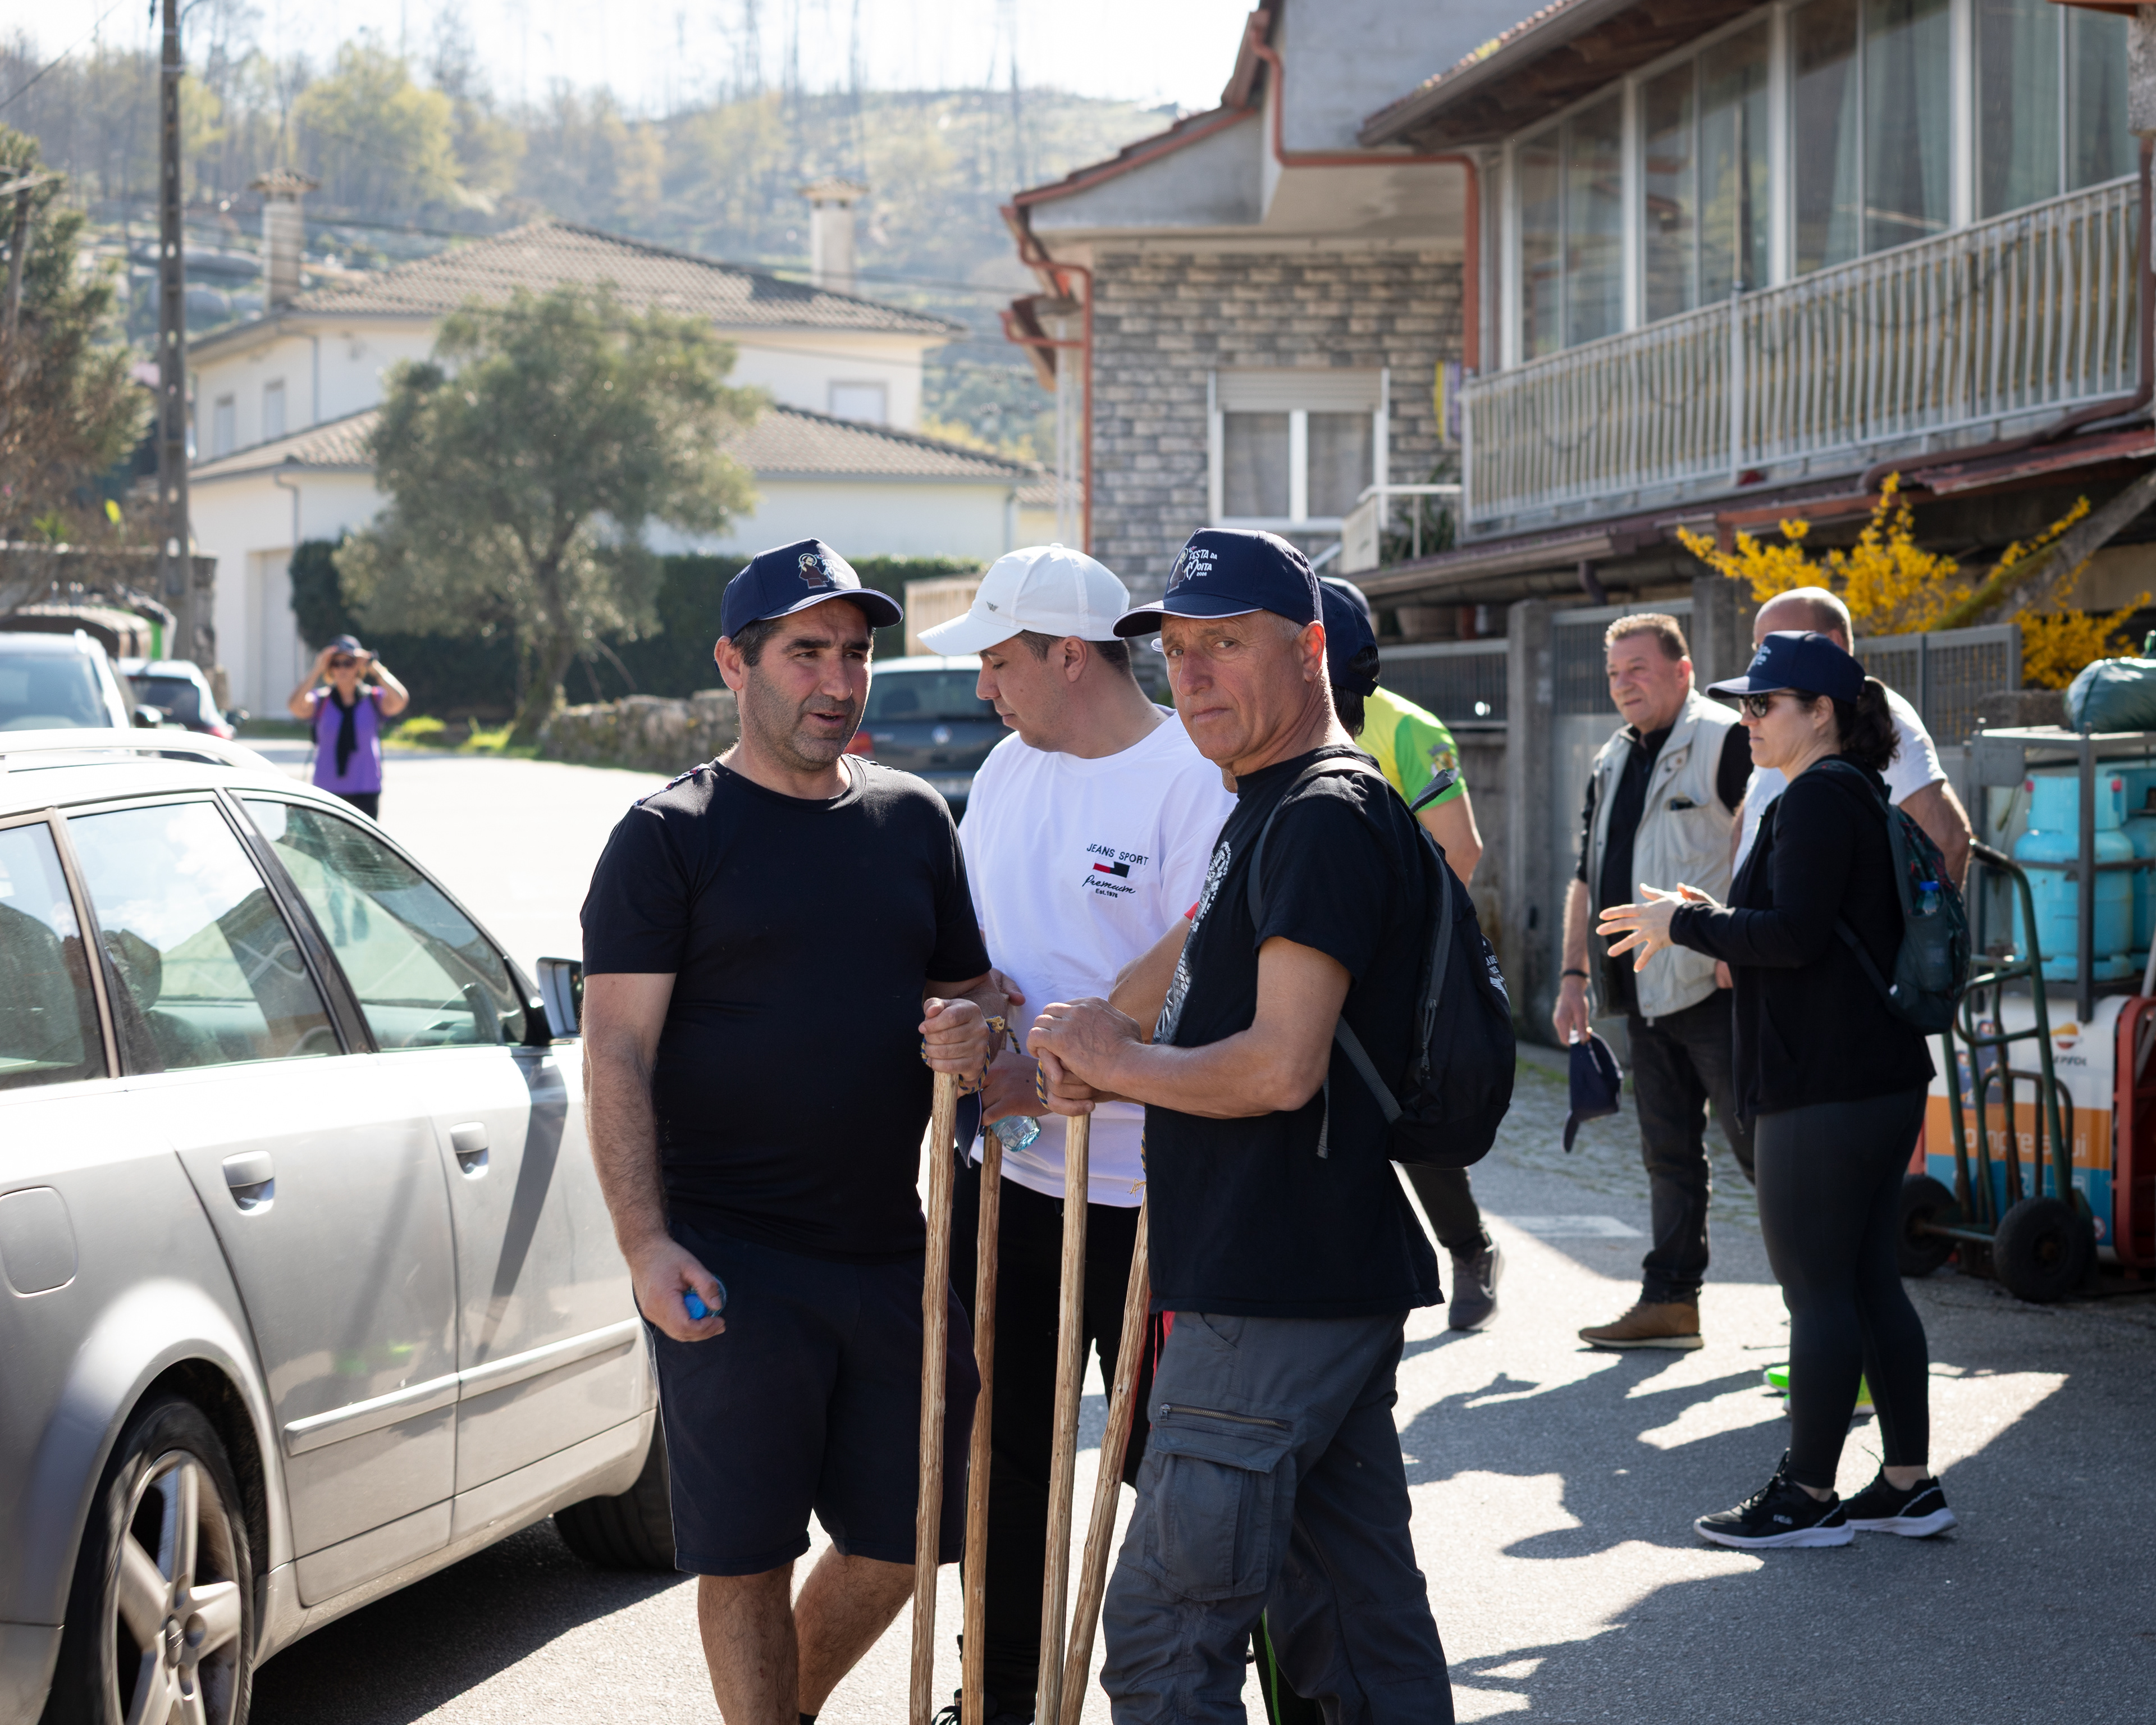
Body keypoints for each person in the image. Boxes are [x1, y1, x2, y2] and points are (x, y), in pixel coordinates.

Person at [1028, 527, 1454, 1725]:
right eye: (1176, 650)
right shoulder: (1274, 804)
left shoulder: (1316, 813)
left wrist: (1120, 1062)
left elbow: (1278, 1067)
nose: (1194, 674)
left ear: (1312, 648)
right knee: (1357, 1633)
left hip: (1269, 1290)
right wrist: (1106, 1056)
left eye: (1226, 643)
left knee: (1166, 1641)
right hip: (1313, 1275)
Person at [578, 537, 1000, 1724]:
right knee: (749, 1557)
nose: (838, 681)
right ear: (736, 664)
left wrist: (974, 1031)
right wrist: (646, 1245)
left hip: (888, 1249)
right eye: (807, 653)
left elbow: (974, 994)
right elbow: (616, 1053)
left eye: (855, 654)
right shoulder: (670, 835)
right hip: (729, 1255)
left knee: (911, 1534)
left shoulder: (913, 819)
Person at [913, 544, 1236, 1725]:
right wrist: (968, 1018)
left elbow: (1214, 985)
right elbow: (983, 960)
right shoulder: (1007, 769)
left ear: (1068, 657)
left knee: (1177, 1477)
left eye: (999, 662)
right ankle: (996, 1698)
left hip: (1156, 1198)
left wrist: (1051, 1073)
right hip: (1013, 1187)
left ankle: (1195, 1696)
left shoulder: (1193, 779)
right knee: (1000, 1467)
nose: (982, 687)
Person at [1597, 629, 1953, 1549]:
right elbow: (1805, 926)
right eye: (1745, 704)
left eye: (1765, 704)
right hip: (1874, 1075)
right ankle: (1908, 1484)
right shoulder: (1852, 790)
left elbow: (1792, 937)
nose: (1748, 719)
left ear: (1821, 712)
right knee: (1868, 1281)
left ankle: (1806, 1496)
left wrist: (1685, 925)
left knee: (1819, 1290)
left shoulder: (1818, 796)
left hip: (1822, 1082)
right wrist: (1708, 918)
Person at [1555, 613, 1754, 1352]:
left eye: (1638, 668)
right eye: (1614, 673)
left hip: (1715, 984)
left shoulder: (1727, 739)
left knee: (1763, 1151)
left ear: (1683, 670)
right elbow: (1585, 873)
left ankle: (1823, 1310)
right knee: (1668, 1155)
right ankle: (1671, 1303)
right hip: (1642, 989)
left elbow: (1763, 841)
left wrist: (1741, 939)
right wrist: (1573, 975)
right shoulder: (1612, 757)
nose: (1623, 684)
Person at [1319, 576, 1502, 1331]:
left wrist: (1399, 956)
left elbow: (1460, 849)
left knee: (1412, 1123)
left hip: (1388, 970)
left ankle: (1468, 1248)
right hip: (1308, 955)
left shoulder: (1408, 730)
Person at [1734, 586, 1971, 887]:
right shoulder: (1780, 714)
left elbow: (1948, 842)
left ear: (1833, 644)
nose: (1763, 660)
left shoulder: (1878, 717)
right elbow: (1749, 823)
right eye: (1759, 649)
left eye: (1778, 643)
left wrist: (1909, 920)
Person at [286, 633, 409, 818]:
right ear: (330, 668)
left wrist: (374, 667)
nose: (342, 668)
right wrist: (317, 669)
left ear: (358, 666)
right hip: (326, 790)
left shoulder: (373, 698)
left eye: (348, 663)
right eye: (336, 663)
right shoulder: (321, 701)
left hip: (365, 789)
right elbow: (294, 705)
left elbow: (400, 699)